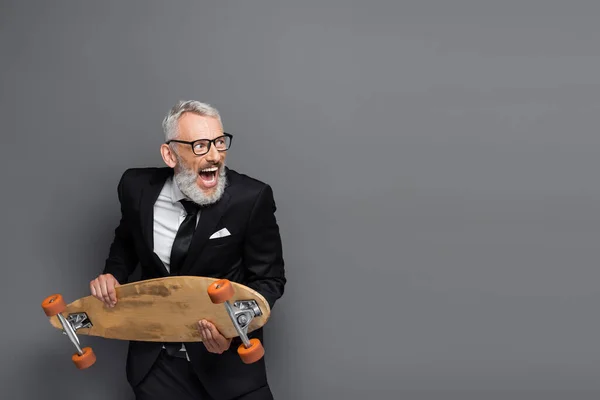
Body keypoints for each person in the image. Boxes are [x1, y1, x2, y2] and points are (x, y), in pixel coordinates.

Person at [89, 100, 286, 399]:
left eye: (220, 142)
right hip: (157, 369)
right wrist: (112, 274)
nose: (215, 156)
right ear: (169, 154)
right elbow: (127, 240)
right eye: (200, 145)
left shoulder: (251, 198)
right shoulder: (135, 187)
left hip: (229, 371)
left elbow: (269, 282)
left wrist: (230, 331)